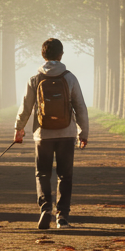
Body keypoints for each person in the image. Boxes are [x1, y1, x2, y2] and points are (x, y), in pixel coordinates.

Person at [13, 37, 89, 229]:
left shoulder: (34, 79)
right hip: (66, 134)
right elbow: (80, 107)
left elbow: (25, 108)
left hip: (42, 134)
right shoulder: (70, 77)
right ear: (61, 55)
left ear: (43, 55)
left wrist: (19, 129)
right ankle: (62, 217)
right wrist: (83, 132)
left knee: (42, 174)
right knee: (65, 175)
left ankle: (46, 208)